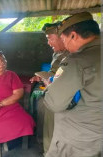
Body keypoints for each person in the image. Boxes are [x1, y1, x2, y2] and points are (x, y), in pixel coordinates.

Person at [44, 12, 102, 157]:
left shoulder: (76, 61)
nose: (64, 44)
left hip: (79, 139)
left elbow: (54, 103)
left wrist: (50, 87)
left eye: (63, 39)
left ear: (73, 35)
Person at [31, 22, 69, 154]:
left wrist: (46, 77)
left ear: (62, 37)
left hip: (62, 96)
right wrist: (41, 77)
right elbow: (54, 73)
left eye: (50, 38)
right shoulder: (57, 53)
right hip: (52, 92)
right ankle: (44, 145)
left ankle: (48, 150)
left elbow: (61, 77)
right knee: (43, 111)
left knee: (52, 121)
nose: (48, 43)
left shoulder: (72, 54)